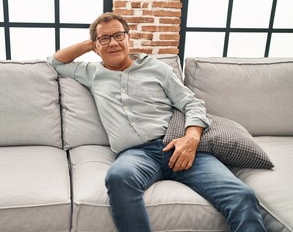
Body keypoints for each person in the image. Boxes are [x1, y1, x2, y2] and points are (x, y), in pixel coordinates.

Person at [47, 12, 266, 232]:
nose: (113, 43)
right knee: (118, 177)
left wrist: (191, 138)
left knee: (242, 195)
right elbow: (55, 61)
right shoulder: (91, 72)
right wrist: (93, 42)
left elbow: (191, 104)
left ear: (129, 38)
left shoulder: (156, 68)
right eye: (105, 39)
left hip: (178, 146)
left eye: (118, 35)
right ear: (96, 45)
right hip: (136, 155)